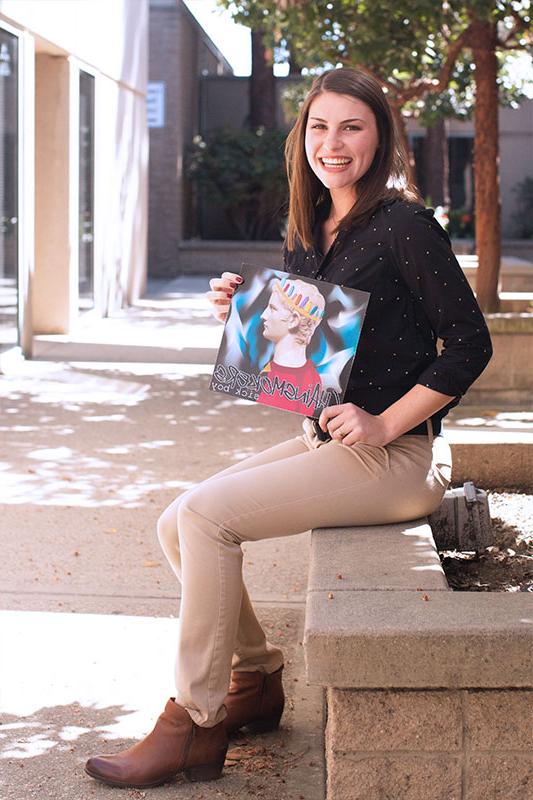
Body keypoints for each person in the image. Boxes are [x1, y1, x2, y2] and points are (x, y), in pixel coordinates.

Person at [85, 67, 492, 789]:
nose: (331, 144)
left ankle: (195, 721)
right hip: (327, 438)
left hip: (395, 458)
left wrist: (383, 420)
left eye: (351, 127)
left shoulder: (403, 225)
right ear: (299, 137)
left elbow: (468, 344)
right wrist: (242, 314)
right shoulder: (309, 227)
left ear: (379, 138)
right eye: (318, 126)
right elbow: (309, 352)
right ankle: (255, 681)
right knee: (179, 521)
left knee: (209, 518)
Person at [256, 276, 325, 415]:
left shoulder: (300, 380)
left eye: (272, 308)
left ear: (294, 320)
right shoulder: (275, 369)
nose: (263, 315)